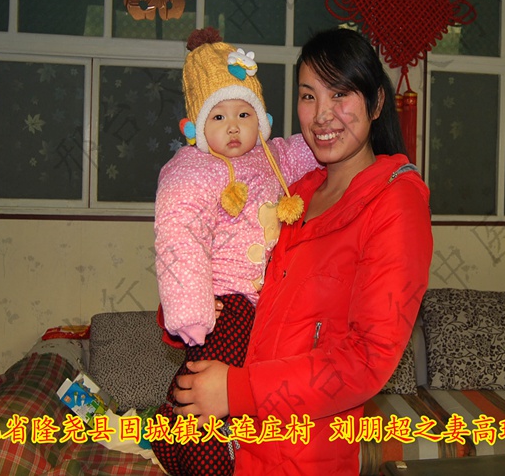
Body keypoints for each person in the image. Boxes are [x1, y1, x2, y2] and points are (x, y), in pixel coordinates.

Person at [172, 27, 434, 475]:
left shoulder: (396, 203)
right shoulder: (295, 192)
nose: (322, 115)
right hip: (243, 447)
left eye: (340, 94)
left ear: (376, 103)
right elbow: (243, 275)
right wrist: (191, 303)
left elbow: (367, 359)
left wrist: (236, 391)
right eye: (309, 96)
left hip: (305, 455)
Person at [152, 28, 318, 475]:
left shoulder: (273, 157)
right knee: (209, 400)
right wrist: (191, 308)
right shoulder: (193, 169)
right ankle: (204, 465)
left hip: (263, 304)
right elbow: (178, 234)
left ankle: (167, 437)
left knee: (208, 388)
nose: (232, 127)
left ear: (260, 119)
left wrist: (363, 146)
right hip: (223, 303)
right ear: (196, 126)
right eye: (219, 115)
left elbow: (314, 148)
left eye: (244, 114)